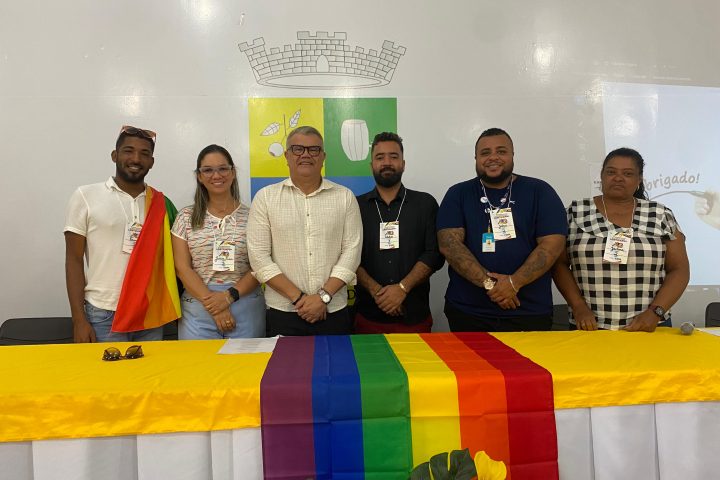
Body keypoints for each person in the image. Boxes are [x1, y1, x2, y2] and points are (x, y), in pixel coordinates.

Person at [437, 128, 567, 332]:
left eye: (501, 151)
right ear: (476, 158)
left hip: (529, 312)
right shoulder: (458, 193)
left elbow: (552, 245)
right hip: (468, 313)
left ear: (512, 155)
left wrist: (514, 283)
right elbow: (449, 245)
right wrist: (492, 285)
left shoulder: (540, 191)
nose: (493, 157)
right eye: (485, 152)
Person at [553, 148, 690, 332]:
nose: (618, 178)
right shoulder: (575, 212)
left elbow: (679, 269)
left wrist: (655, 312)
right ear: (601, 176)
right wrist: (578, 307)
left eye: (627, 174)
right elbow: (559, 264)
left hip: (648, 326)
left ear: (639, 179)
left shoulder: (660, 214)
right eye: (611, 172)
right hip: (588, 326)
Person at [64, 126, 180, 342]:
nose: (136, 159)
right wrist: (79, 320)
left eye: (144, 153)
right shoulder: (86, 196)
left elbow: (176, 260)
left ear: (152, 162)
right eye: (128, 151)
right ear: (114, 155)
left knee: (151, 367)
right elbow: (73, 259)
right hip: (103, 313)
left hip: (149, 314)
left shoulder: (162, 204)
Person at [247, 126, 362, 336]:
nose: (306, 155)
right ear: (287, 156)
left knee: (336, 359)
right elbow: (259, 258)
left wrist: (323, 297)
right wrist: (300, 299)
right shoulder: (265, 198)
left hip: (333, 311)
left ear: (323, 157)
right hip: (283, 312)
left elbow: (352, 253)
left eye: (314, 149)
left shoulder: (345, 197)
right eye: (298, 149)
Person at [171, 145, 265, 339]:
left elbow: (261, 265)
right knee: (199, 361)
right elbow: (182, 268)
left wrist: (227, 297)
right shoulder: (185, 217)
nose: (216, 175)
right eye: (208, 170)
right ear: (199, 176)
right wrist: (215, 306)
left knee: (245, 360)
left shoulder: (254, 216)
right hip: (199, 305)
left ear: (233, 173)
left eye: (223, 168)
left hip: (244, 301)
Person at [354, 132, 444, 333]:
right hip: (368, 315)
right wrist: (378, 293)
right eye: (380, 157)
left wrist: (402, 288)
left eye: (393, 157)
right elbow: (348, 256)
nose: (387, 162)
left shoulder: (425, 204)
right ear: (371, 165)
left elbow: (434, 254)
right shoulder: (355, 206)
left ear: (403, 164)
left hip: (415, 316)